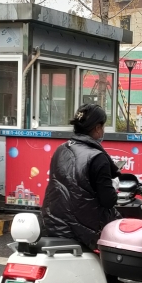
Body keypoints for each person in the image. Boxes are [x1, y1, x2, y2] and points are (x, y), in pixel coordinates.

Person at [40, 104, 119, 251]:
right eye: (103, 126)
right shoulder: (98, 158)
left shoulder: (60, 150)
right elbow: (108, 201)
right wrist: (113, 186)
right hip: (83, 234)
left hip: (52, 225)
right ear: (97, 128)